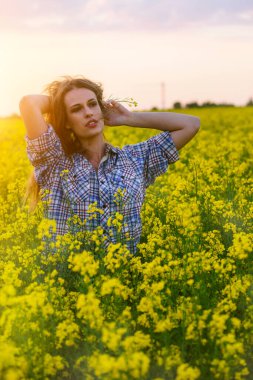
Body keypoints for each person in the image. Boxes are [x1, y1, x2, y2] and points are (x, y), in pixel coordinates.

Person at [19, 76, 200, 254]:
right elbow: (29, 104)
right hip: (68, 282)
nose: (88, 112)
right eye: (76, 109)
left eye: (92, 104)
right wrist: (59, 104)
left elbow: (190, 124)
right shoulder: (54, 162)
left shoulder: (135, 159)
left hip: (123, 279)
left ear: (102, 110)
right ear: (66, 121)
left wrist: (129, 118)